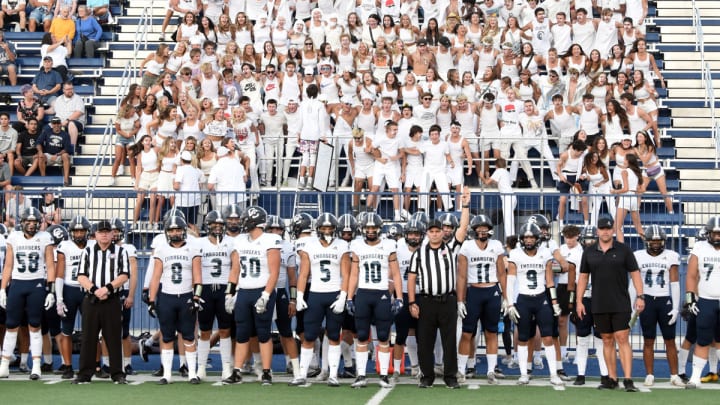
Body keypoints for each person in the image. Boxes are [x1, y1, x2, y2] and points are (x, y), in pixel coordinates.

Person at [407, 190, 470, 389]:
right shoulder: (419, 254)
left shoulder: (451, 248)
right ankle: (427, 377)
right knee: (425, 342)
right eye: (431, 231)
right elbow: (411, 278)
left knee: (449, 341)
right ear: (427, 233)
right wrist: (411, 302)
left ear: (443, 232)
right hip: (426, 301)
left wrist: (466, 205)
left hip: (447, 300)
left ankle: (450, 378)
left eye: (437, 231)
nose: (435, 234)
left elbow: (463, 227)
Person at [575, 216, 645, 392]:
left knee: (622, 338)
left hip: (620, 302)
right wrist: (579, 301)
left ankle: (628, 379)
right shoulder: (589, 252)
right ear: (597, 230)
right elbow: (583, 277)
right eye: (602, 228)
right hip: (599, 303)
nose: (605, 231)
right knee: (606, 340)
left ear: (613, 230)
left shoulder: (624, 250)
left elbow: (635, 273)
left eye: (608, 228)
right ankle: (612, 378)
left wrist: (640, 295)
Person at [290, 213, 351, 387]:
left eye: (330, 228)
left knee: (333, 335)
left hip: (334, 293)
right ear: (318, 229)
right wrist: (300, 295)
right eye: (324, 228)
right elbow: (303, 273)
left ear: (335, 229)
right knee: (308, 336)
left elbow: (346, 274)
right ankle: (302, 374)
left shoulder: (342, 245)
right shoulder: (310, 245)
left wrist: (343, 296)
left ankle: (332, 374)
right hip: (315, 294)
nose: (327, 231)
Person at [223, 206, 280, 386]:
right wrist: (229, 293)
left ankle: (266, 372)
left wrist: (265, 295)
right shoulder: (240, 241)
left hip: (261, 290)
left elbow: (274, 272)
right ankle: (237, 370)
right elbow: (235, 269)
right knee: (241, 332)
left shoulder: (270, 240)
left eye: (245, 219)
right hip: (244, 291)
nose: (241, 222)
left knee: (263, 333)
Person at [346, 212, 403, 388]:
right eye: (368, 228)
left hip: (382, 294)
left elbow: (395, 273)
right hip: (363, 293)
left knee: (384, 336)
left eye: (373, 228)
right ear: (363, 229)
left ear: (379, 229)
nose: (370, 231)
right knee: (362, 335)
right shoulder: (357, 246)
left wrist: (399, 297)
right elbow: (354, 274)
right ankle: (361, 375)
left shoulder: (388, 245)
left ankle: (384, 375)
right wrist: (349, 297)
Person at [504, 222, 565, 386]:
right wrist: (510, 303)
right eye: (526, 237)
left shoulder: (545, 253)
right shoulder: (516, 254)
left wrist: (554, 302)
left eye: (531, 237)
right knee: (523, 337)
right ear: (521, 239)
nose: (529, 240)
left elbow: (550, 280)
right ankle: (524, 374)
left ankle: (553, 374)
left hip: (541, 298)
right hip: (523, 298)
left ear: (537, 238)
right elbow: (510, 280)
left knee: (548, 336)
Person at [70, 220, 130, 385]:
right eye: (101, 232)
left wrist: (108, 288)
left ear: (112, 234)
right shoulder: (88, 251)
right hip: (92, 299)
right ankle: (84, 373)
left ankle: (117, 373)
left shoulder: (121, 251)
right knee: (88, 337)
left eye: (107, 231)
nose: (104, 234)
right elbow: (81, 275)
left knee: (112, 338)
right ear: (95, 234)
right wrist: (95, 289)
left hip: (111, 300)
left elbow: (125, 275)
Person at [0, 208, 55, 380]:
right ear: (22, 222)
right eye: (28, 222)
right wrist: (2, 288)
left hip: (36, 284)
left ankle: (36, 365)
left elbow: (50, 265)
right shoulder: (14, 237)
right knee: (11, 325)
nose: (31, 225)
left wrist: (51, 290)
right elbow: (8, 266)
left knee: (34, 325)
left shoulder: (45, 237)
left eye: (34, 222)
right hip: (17, 283)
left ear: (39, 223)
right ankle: (4, 365)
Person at [148, 214, 202, 385]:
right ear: (167, 232)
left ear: (184, 231)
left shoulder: (192, 250)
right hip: (167, 297)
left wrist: (196, 297)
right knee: (167, 337)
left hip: (186, 295)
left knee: (188, 336)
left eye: (178, 229)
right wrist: (151, 300)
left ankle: (192, 373)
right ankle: (167, 374)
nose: (175, 233)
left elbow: (198, 277)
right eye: (171, 230)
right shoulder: (162, 250)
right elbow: (156, 277)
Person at [456, 214, 506, 384]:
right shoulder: (467, 247)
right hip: (474, 291)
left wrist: (506, 297)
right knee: (467, 333)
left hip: (491, 291)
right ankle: (461, 370)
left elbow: (501, 273)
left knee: (491, 332)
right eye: (480, 228)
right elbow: (461, 276)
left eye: (485, 228)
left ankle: (491, 370)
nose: (483, 231)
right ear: (474, 229)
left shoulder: (496, 245)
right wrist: (460, 300)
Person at [634, 225, 685, 387]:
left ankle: (674, 375)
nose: (656, 244)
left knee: (670, 340)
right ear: (647, 241)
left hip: (664, 300)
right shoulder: (638, 256)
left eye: (658, 241)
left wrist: (675, 307)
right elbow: (633, 282)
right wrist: (631, 307)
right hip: (646, 299)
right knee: (648, 340)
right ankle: (649, 374)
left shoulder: (671, 256)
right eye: (653, 241)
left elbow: (675, 283)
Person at [195, 210, 237, 380]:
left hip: (223, 289)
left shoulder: (231, 242)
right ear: (208, 225)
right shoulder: (200, 243)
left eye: (220, 225)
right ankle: (201, 367)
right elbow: (196, 268)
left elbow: (235, 266)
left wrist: (230, 290)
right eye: (214, 225)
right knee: (205, 330)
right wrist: (197, 293)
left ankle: (226, 367)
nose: (217, 228)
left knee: (225, 330)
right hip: (205, 288)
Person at [684, 217, 720, 389]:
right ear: (708, 233)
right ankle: (695, 377)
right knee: (703, 339)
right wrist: (690, 299)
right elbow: (691, 275)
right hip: (706, 300)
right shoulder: (700, 247)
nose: (717, 236)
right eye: (715, 233)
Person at [54, 215, 91, 379]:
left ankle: (95, 366)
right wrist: (59, 298)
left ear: (87, 231)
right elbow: (60, 273)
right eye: (76, 231)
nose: (79, 234)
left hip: (89, 290)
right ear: (71, 232)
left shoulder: (94, 245)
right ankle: (68, 366)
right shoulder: (65, 246)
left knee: (93, 331)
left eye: (82, 230)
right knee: (66, 330)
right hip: (70, 289)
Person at [36, 117, 72, 186]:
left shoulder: (65, 134)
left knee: (65, 155)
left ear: (60, 124)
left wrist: (57, 155)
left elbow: (66, 148)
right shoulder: (46, 132)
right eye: (54, 123)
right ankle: (43, 179)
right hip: (48, 155)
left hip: (59, 155)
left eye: (58, 123)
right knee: (41, 156)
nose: (56, 125)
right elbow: (38, 143)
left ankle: (66, 179)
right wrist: (40, 152)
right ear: (52, 124)